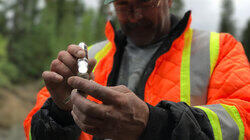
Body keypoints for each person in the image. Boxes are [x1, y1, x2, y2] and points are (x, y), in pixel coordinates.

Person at [24, 0, 250, 139]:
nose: (136, 14)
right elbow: (34, 132)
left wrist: (157, 124)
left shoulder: (220, 48)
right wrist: (59, 113)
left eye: (145, 1)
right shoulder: (89, 57)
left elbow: (244, 120)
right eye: (123, 4)